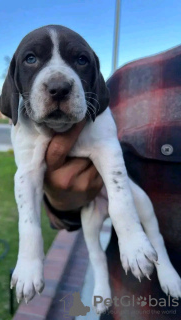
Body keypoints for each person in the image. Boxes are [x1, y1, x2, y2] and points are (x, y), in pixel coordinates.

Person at [43, 44, 181, 319]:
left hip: (143, 289)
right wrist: (60, 202)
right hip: (131, 304)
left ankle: (163, 264)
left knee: (141, 210)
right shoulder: (126, 80)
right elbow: (62, 207)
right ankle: (101, 286)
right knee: (92, 241)